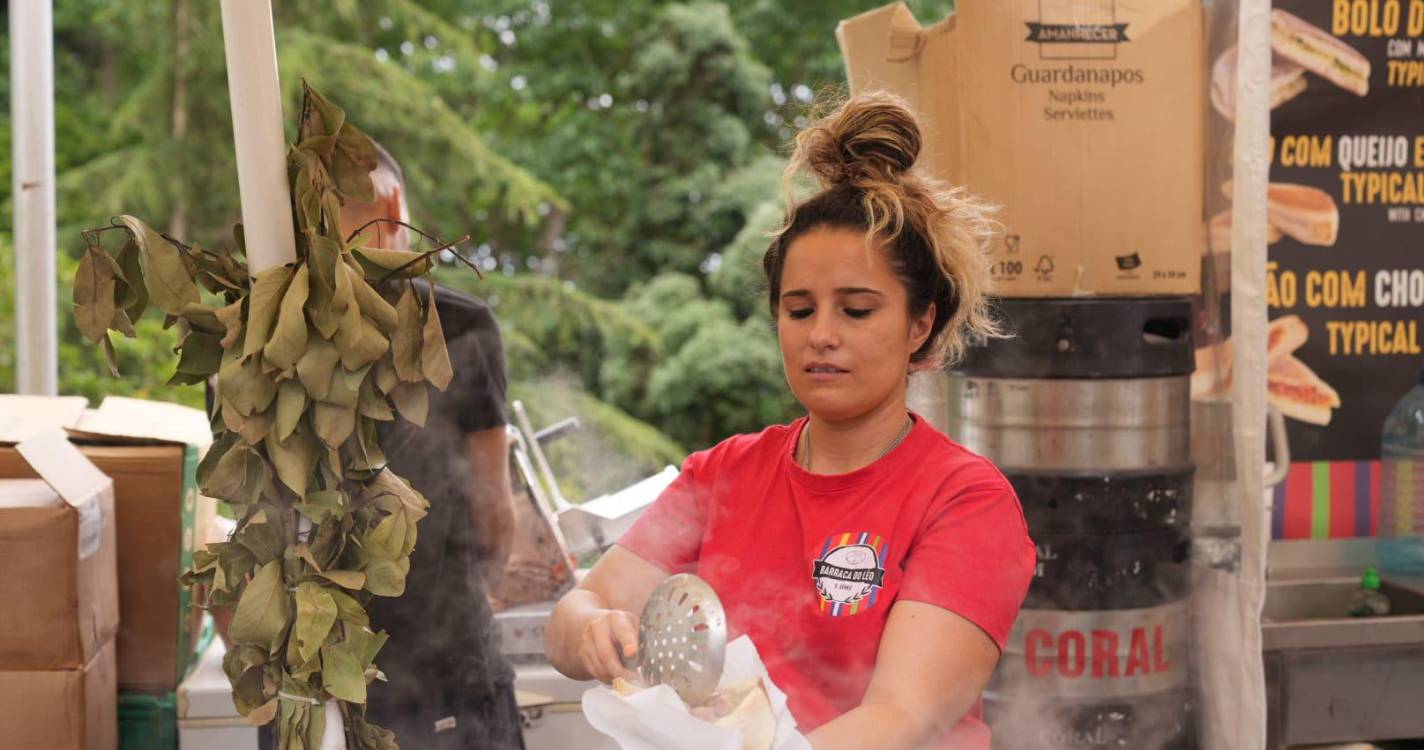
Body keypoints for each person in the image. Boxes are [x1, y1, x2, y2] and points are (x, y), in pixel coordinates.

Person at [545, 93, 1036, 750]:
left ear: (920, 324)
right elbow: (576, 613)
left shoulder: (965, 500)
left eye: (857, 311)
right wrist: (590, 632)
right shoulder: (724, 473)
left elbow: (900, 716)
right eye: (799, 310)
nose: (822, 336)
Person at [336, 146, 524, 748]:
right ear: (393, 207)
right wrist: (491, 585)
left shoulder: (249, 342)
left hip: (314, 686)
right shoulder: (455, 324)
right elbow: (493, 508)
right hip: (447, 680)